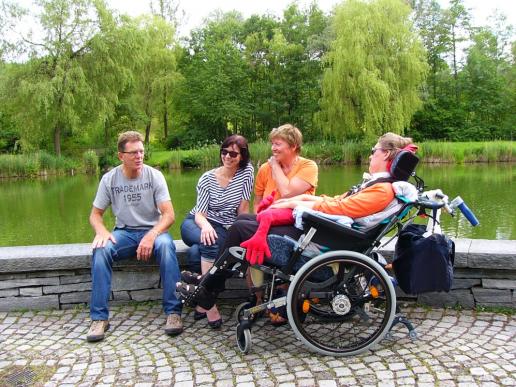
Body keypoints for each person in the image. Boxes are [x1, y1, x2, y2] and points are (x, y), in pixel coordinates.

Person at [176, 132, 417, 311]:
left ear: (385, 154)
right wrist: (303, 199)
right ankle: (208, 285)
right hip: (320, 232)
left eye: (374, 150)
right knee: (249, 221)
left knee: (240, 226)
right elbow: (336, 201)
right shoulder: (376, 186)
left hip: (320, 239)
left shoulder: (381, 190)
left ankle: (208, 288)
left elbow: (342, 208)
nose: (370, 154)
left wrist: (296, 203)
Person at [87, 131, 182, 342]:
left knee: (167, 248)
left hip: (155, 232)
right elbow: (95, 214)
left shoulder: (154, 176)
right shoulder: (109, 179)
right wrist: (102, 232)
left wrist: (151, 235)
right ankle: (99, 318)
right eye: (133, 153)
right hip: (125, 233)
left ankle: (174, 313)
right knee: (100, 250)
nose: (139, 156)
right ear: (121, 155)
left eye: (141, 151)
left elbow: (169, 215)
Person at [180, 135, 254, 328]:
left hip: (224, 226)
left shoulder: (246, 173)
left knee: (202, 253)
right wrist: (205, 226)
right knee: (210, 242)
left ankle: (199, 303)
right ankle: (210, 305)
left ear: (242, 156)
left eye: (233, 154)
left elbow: (243, 209)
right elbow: (200, 214)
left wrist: (242, 231)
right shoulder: (207, 178)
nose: (228, 157)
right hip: (196, 222)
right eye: (224, 152)